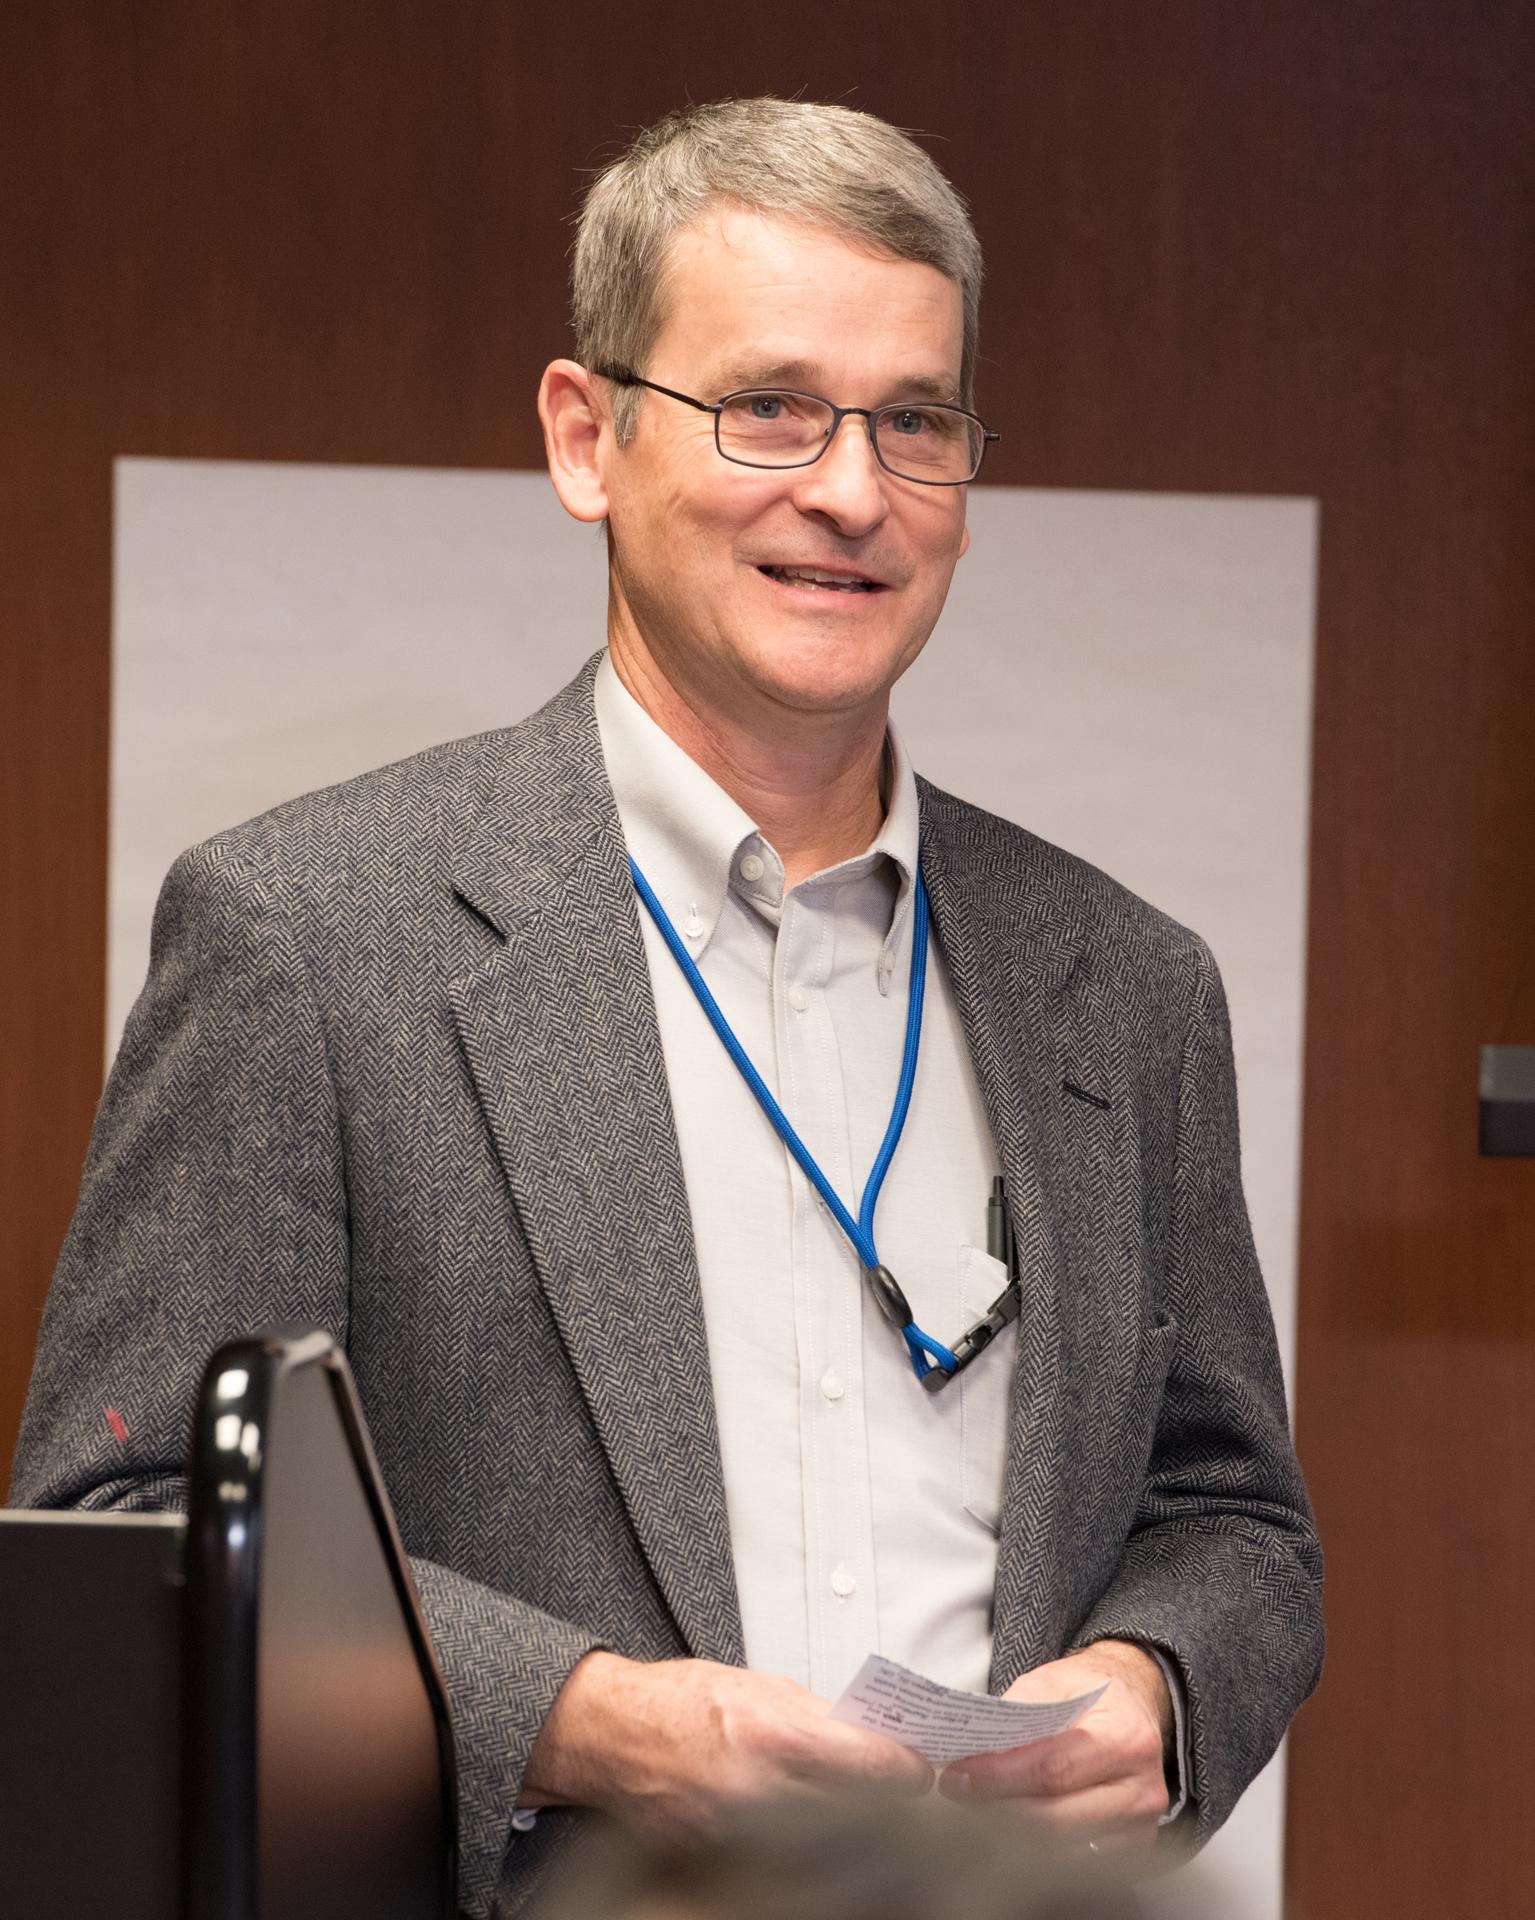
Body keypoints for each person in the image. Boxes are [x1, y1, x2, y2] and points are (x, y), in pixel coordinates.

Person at [10, 98, 1322, 1920]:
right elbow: (131, 1532)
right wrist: (582, 1721)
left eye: (916, 421)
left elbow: (1233, 1521)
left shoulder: (1131, 988)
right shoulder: (309, 939)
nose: (852, 492)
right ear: (587, 438)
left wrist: (1160, 1691)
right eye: (769, 406)